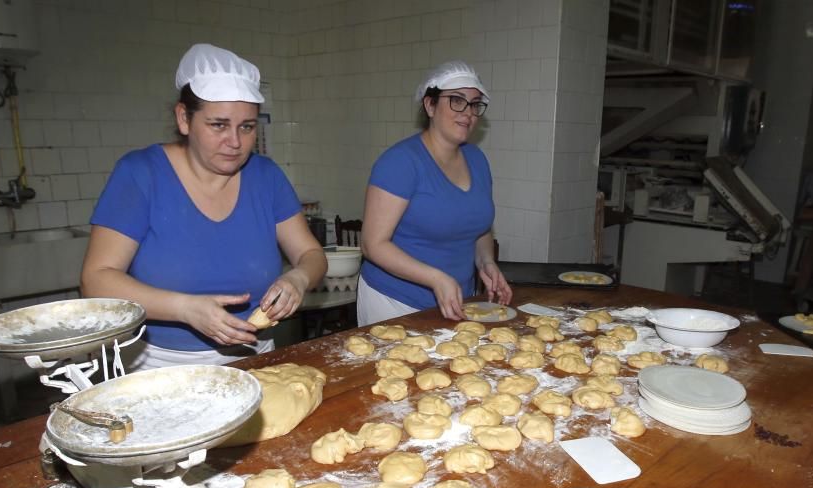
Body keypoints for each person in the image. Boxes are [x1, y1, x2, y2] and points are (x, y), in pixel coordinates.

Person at [80, 44, 326, 370]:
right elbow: (96, 280)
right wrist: (185, 309)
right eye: (218, 125)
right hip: (159, 365)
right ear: (184, 119)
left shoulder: (266, 177)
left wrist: (298, 279)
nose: (235, 142)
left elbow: (312, 256)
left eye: (247, 127)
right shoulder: (142, 174)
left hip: (257, 357)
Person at [357, 60, 512, 325]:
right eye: (456, 100)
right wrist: (435, 277)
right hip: (395, 302)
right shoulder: (400, 162)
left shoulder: (477, 160)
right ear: (430, 105)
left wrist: (486, 262)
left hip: (457, 300)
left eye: (474, 104)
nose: (468, 113)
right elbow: (373, 245)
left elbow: (478, 226)